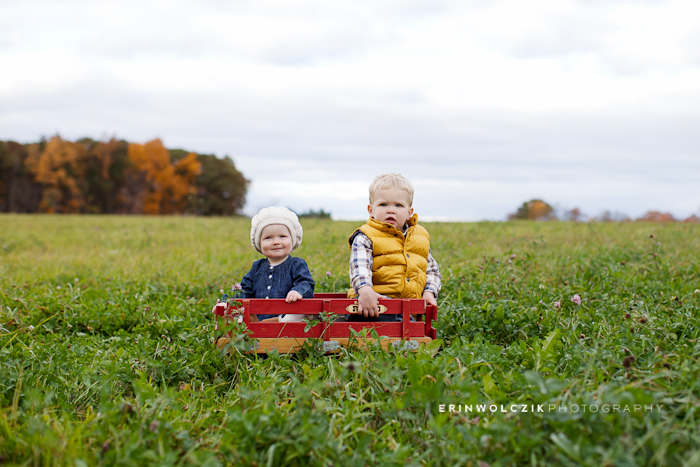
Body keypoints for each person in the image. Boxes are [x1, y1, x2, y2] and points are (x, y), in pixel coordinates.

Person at [348, 173, 441, 320]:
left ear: (409, 212)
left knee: (407, 327)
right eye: (383, 204)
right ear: (371, 210)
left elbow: (430, 269)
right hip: (374, 305)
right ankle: (350, 320)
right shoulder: (365, 236)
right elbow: (359, 266)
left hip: (409, 308)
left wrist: (429, 292)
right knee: (389, 325)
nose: (390, 210)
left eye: (398, 205)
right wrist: (365, 290)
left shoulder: (420, 236)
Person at [223, 206, 315, 322]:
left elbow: (306, 283)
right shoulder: (257, 267)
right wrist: (226, 302)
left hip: (287, 318)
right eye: (268, 238)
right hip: (258, 320)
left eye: (282, 236)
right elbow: (243, 289)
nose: (276, 242)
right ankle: (252, 327)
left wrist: (297, 291)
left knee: (297, 314)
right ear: (259, 243)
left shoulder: (296, 264)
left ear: (292, 239)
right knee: (237, 314)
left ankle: (280, 324)